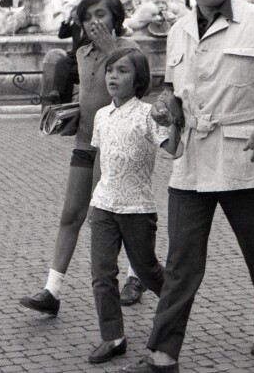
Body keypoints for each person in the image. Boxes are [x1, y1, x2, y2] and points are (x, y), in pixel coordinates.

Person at [123, 0, 254, 373]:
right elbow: (173, 90)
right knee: (182, 261)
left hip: (245, 152)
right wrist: (166, 108)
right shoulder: (179, 29)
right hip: (191, 158)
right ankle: (163, 355)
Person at [20, 0, 147, 317]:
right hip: (84, 143)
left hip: (116, 147)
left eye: (101, 15)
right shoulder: (81, 53)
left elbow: (141, 91)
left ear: (115, 18)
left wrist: (110, 49)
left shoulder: (130, 50)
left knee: (117, 217)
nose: (94, 22)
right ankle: (52, 290)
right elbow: (89, 94)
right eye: (89, 16)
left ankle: (137, 276)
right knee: (71, 215)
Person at [86, 47, 180, 365]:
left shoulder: (147, 114)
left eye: (122, 71)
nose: (113, 76)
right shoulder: (101, 115)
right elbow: (100, 160)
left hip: (137, 208)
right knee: (102, 272)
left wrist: (175, 120)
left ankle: (176, 304)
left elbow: (173, 149)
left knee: (147, 270)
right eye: (110, 70)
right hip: (103, 206)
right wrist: (92, 200)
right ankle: (113, 337)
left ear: (138, 78)